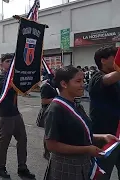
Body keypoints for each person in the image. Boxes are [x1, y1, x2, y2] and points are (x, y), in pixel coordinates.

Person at [43, 65, 118, 180]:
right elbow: (52, 145)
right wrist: (87, 149)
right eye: (78, 81)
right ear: (64, 84)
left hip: (81, 164)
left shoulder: (76, 104)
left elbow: (77, 134)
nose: (83, 84)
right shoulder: (56, 109)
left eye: (83, 80)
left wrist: (102, 137)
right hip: (66, 167)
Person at [0, 54, 35, 179]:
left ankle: (22, 167)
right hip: (6, 115)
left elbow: (23, 89)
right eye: (7, 61)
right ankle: (0, 167)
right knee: (4, 143)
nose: (10, 63)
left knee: (22, 140)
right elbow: (9, 87)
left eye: (11, 61)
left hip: (16, 114)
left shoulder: (14, 77)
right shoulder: (1, 77)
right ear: (2, 64)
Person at [88, 46, 120, 180]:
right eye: (116, 58)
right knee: (101, 174)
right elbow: (107, 80)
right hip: (104, 138)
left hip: (118, 134)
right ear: (104, 60)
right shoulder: (96, 78)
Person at [37, 74, 58, 160]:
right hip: (47, 111)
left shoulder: (54, 85)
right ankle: (46, 152)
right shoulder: (46, 86)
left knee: (54, 132)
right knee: (48, 133)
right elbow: (44, 101)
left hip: (54, 110)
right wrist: (58, 99)